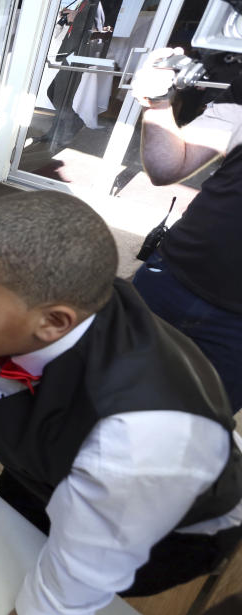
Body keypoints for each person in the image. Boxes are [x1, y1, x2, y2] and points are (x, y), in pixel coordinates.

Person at [0, 191, 242, 615]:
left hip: (158, 530)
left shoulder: (137, 437)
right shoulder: (27, 312)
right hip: (63, 466)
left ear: (55, 322)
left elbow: (93, 555)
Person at [129, 48, 242, 414]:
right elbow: (166, 167)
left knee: (188, 424)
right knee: (93, 385)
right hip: (169, 278)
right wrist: (159, 103)